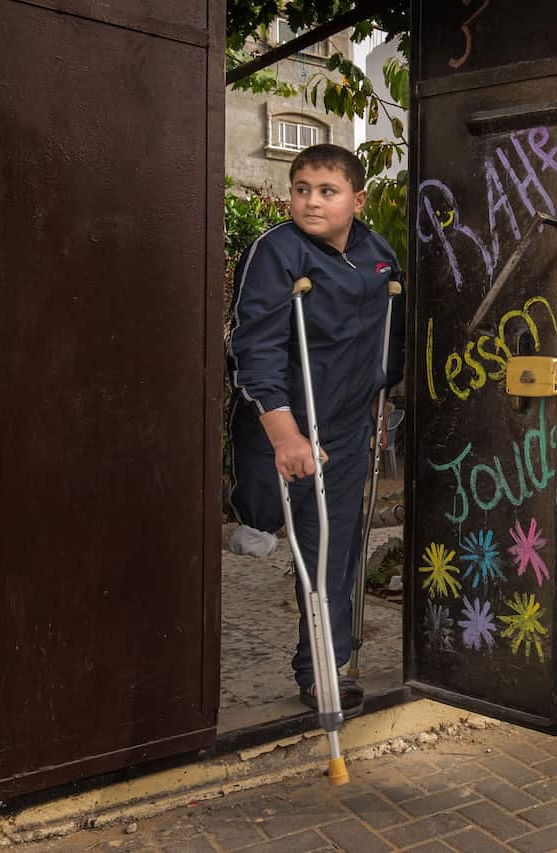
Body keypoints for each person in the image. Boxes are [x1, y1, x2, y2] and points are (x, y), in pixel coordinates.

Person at [227, 143, 403, 718]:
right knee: (261, 521)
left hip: (348, 427)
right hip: (284, 424)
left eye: (326, 191)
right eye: (301, 189)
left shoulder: (380, 257)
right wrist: (285, 436)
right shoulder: (276, 252)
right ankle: (251, 515)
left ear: (358, 198)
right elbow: (255, 350)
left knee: (333, 550)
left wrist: (380, 403)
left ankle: (323, 670)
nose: (310, 201)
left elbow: (386, 341)